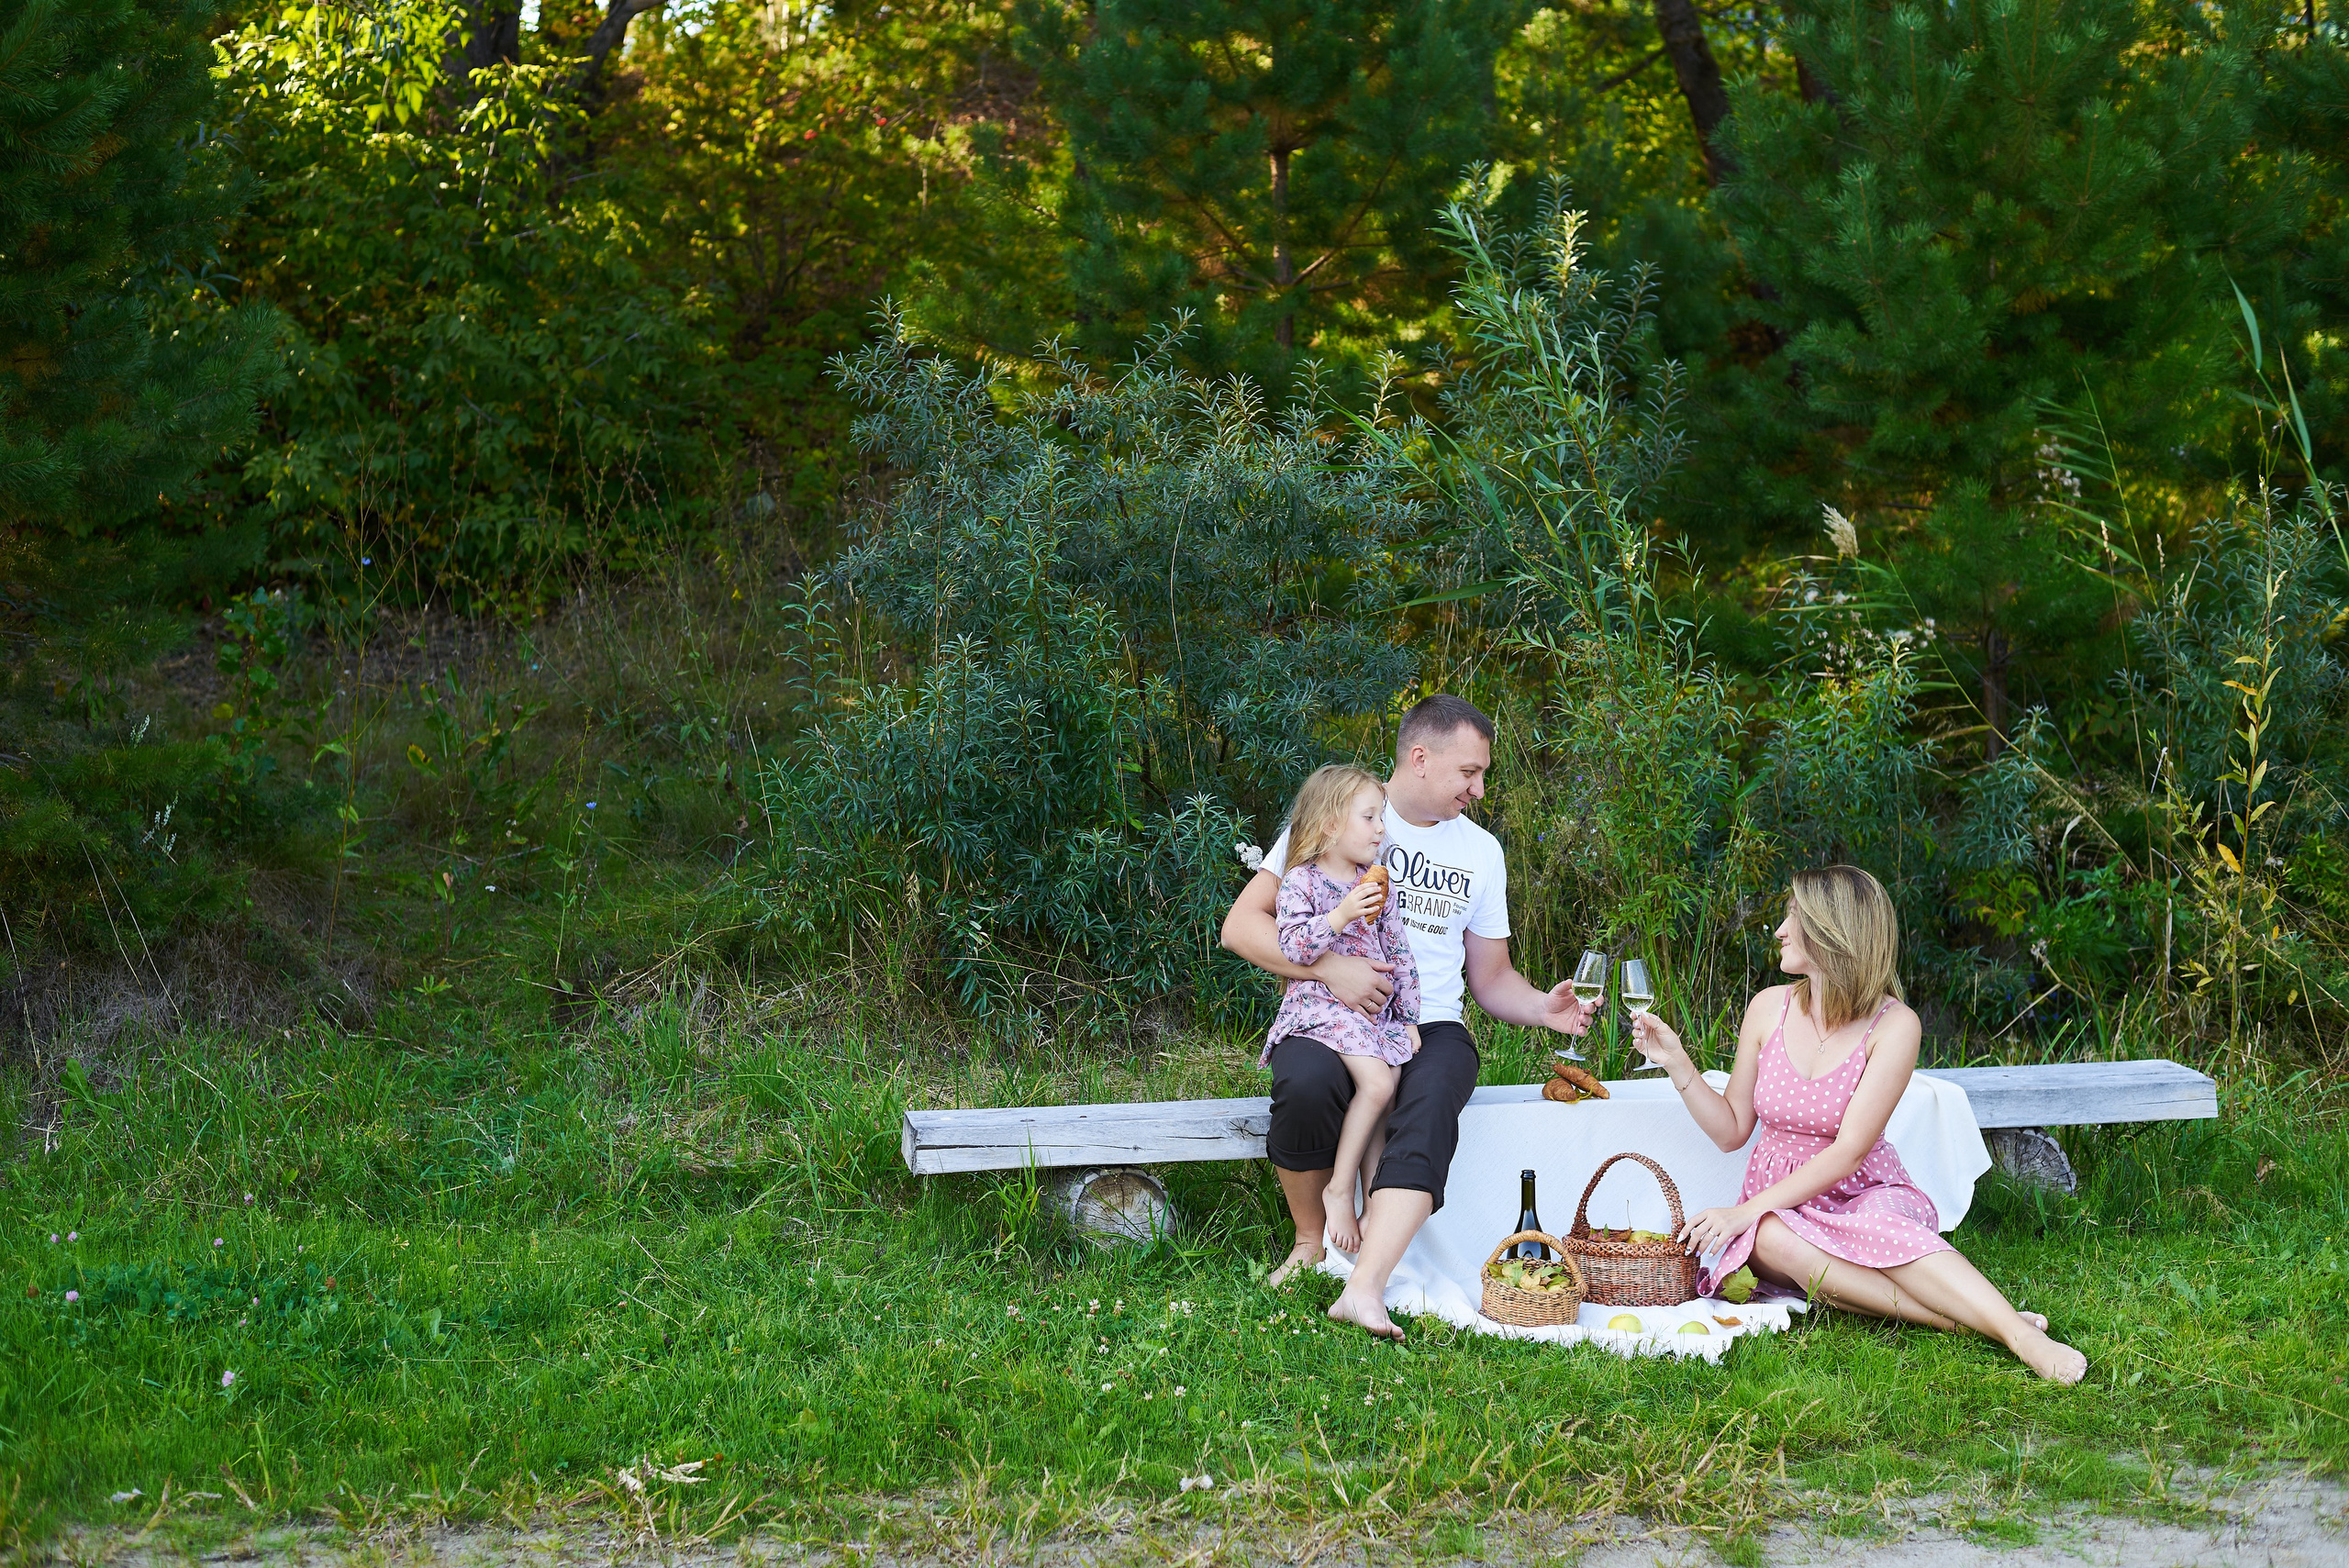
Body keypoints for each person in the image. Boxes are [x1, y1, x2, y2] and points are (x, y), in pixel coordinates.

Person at [1220, 694, 1598, 1340]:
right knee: (1305, 1081)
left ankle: (1367, 1281)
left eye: (1482, 775)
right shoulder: (1338, 816)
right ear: (1420, 758)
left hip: (1428, 1020)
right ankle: (1311, 1241)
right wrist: (1328, 970)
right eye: (1469, 772)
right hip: (1325, 1006)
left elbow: (1491, 978)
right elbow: (1240, 925)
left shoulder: (1481, 853)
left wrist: (1543, 1007)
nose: (1479, 788)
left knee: (1429, 1098)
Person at [1630, 864, 2089, 1385]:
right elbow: (1732, 1129)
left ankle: (2022, 1336)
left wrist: (1741, 1213)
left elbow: (1850, 1151)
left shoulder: (1894, 1025)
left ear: (1833, 932)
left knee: (1879, 1227)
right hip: (1783, 1202)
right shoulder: (1766, 1010)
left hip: (1861, 1189)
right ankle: (1965, 1322)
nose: (1780, 931)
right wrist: (1677, 1063)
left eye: (1793, 919)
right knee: (1770, 1238)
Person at [1264, 764, 1424, 1254]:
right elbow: (1292, 947)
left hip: (1367, 1016)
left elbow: (1398, 950)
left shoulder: (1376, 884)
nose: (1381, 829)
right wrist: (1339, 916)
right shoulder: (1301, 882)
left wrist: (1409, 1016)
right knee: (1376, 1083)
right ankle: (1337, 1189)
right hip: (1320, 1008)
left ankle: (1374, 1190)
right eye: (1370, 817)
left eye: (1382, 819)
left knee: (1390, 1080)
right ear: (1330, 825)